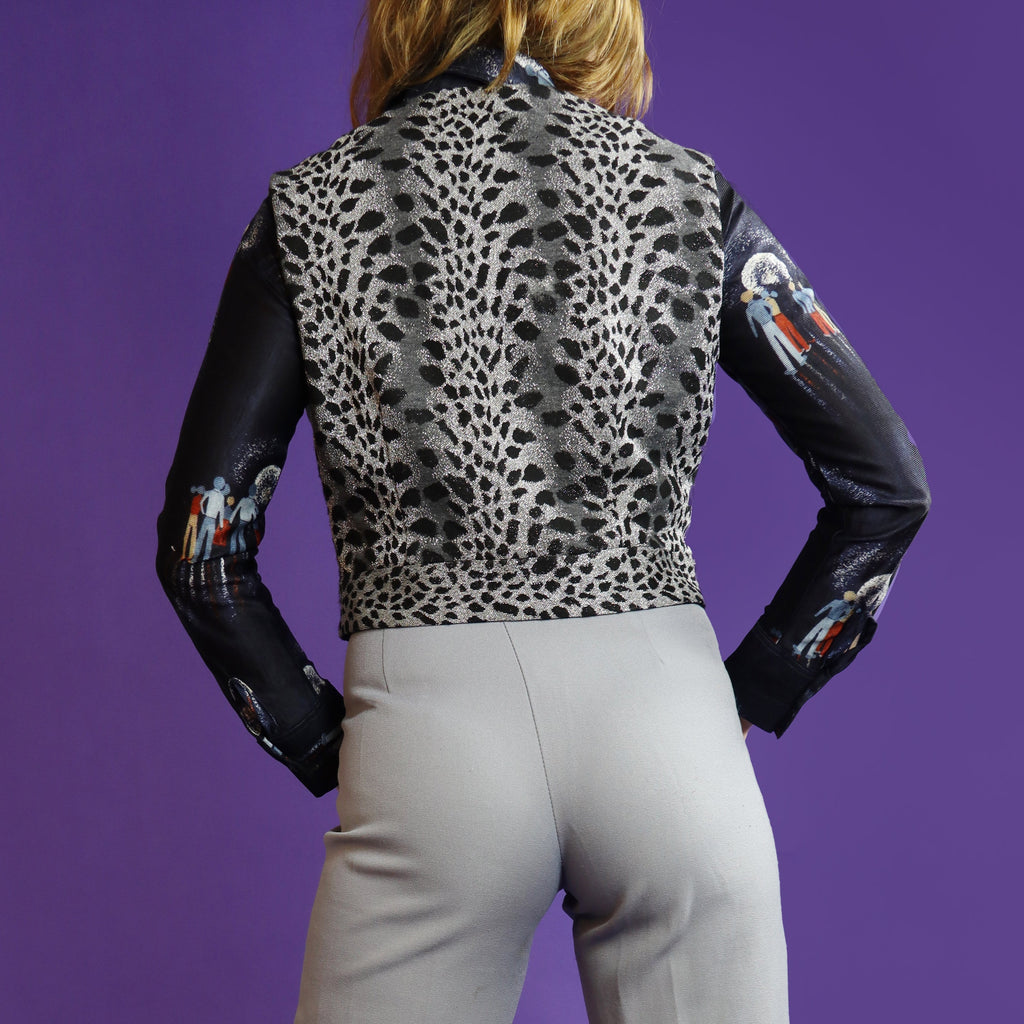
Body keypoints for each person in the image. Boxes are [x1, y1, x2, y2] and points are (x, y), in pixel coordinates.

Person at [155, 2, 931, 1021]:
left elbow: (202, 549)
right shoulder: (688, 194)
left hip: (432, 733)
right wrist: (752, 690)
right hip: (667, 722)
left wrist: (320, 741)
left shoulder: (309, 210)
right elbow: (887, 489)